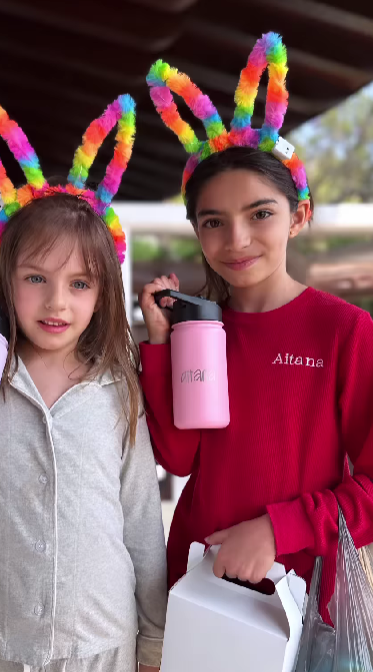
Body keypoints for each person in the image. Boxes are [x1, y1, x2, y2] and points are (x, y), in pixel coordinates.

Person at [0, 93, 166, 671]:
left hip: (103, 639)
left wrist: (153, 639)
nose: (56, 302)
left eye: (80, 284)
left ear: (103, 292)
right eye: (36, 277)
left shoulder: (118, 387)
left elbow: (141, 519)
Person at [139, 32, 373, 624]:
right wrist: (162, 346)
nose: (236, 240)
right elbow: (180, 457)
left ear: (299, 217)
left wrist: (277, 528)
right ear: (197, 231)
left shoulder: (345, 331)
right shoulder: (198, 330)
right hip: (195, 579)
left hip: (293, 599)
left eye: (260, 214)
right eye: (214, 221)